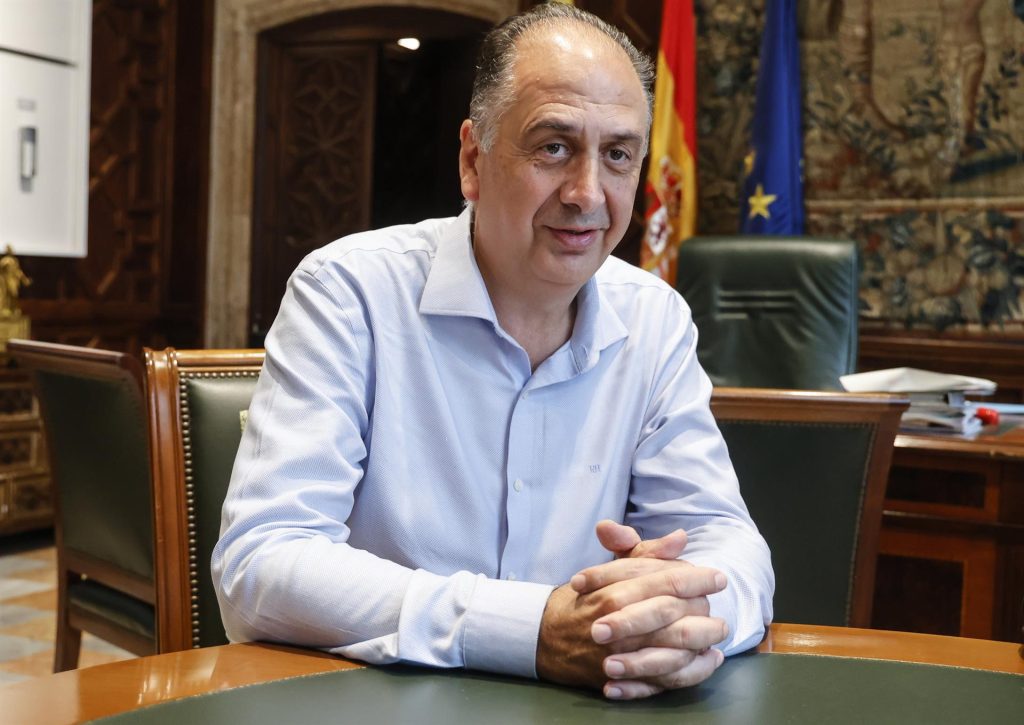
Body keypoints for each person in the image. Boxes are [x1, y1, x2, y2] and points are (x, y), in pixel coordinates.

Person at [212, 3, 773, 701]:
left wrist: (676, 617)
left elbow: (726, 541)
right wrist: (529, 629)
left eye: (618, 155)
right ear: (473, 160)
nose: (587, 194)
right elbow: (261, 563)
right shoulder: (349, 292)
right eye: (553, 147)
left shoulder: (655, 319)